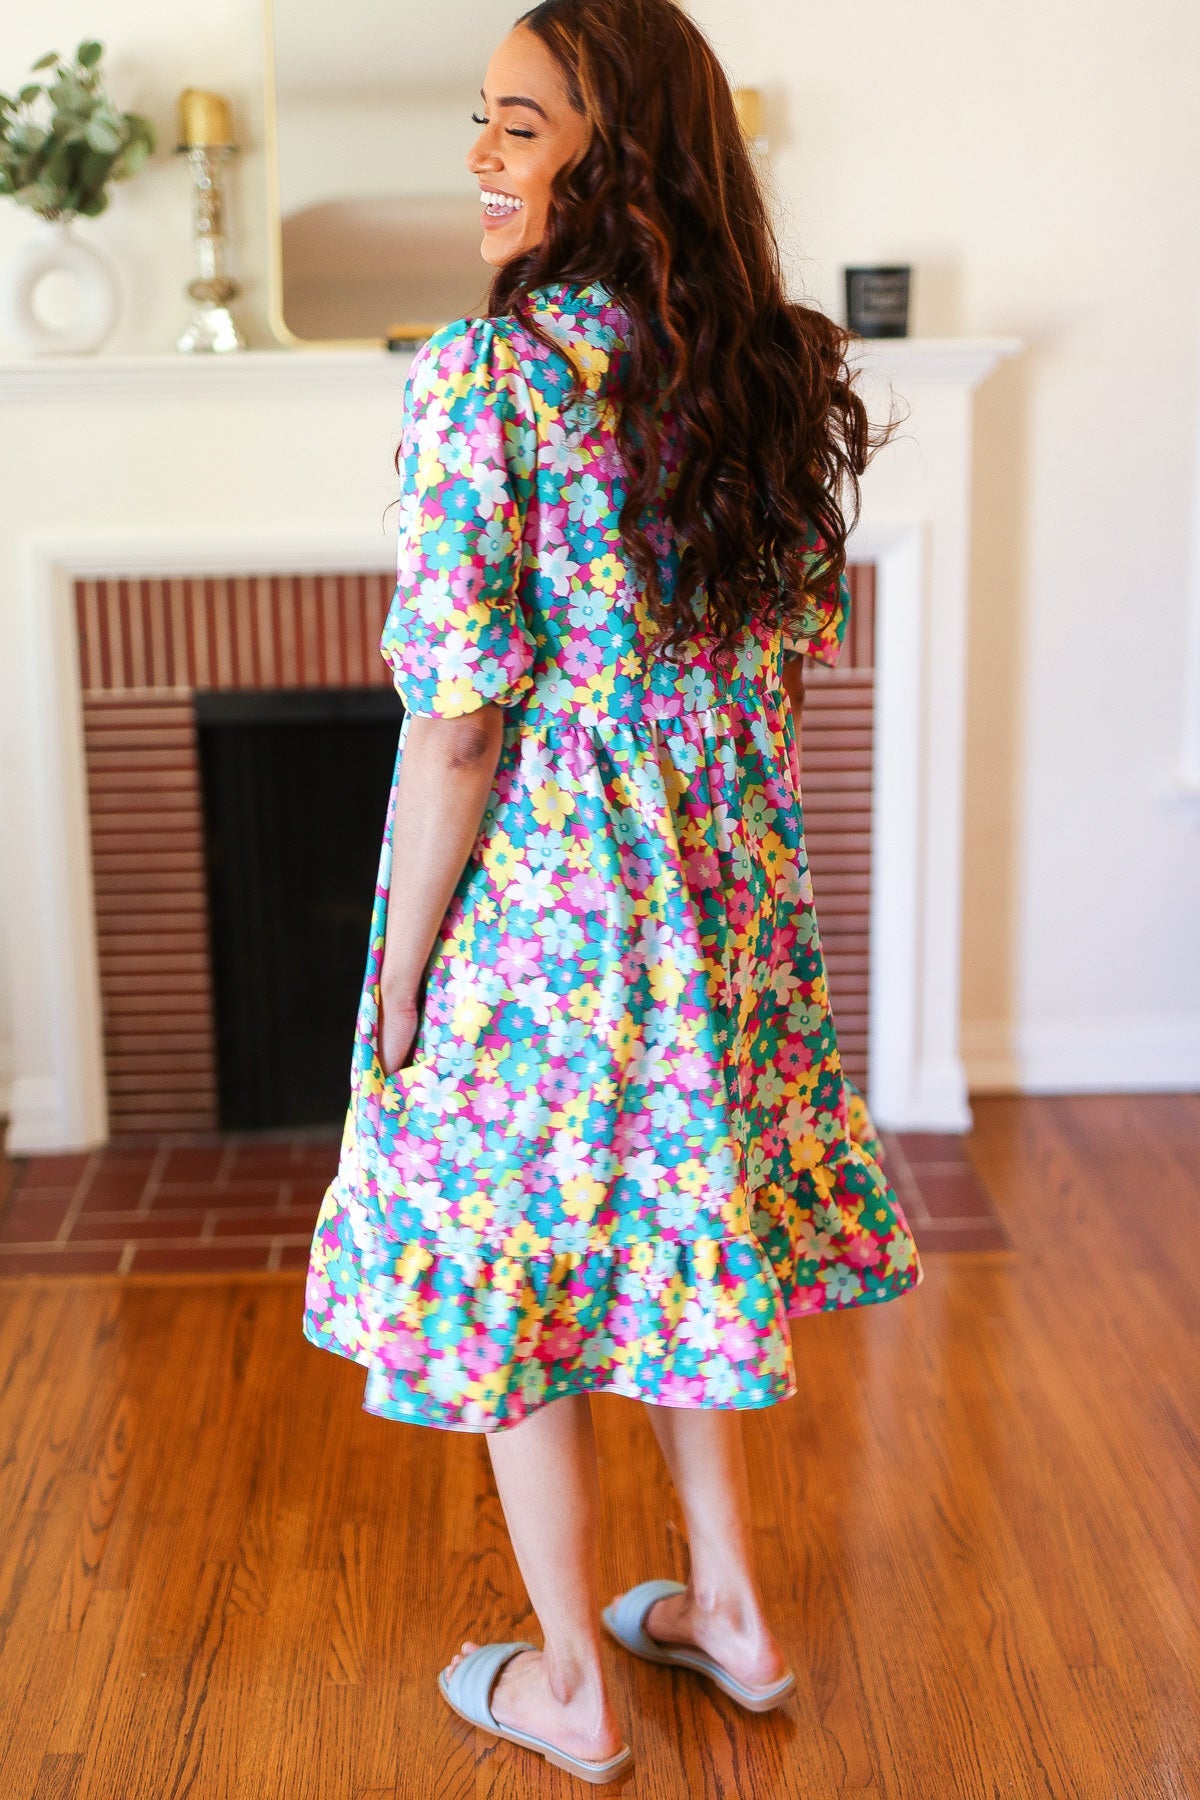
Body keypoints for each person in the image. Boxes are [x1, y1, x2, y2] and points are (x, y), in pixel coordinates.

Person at [303, 0, 922, 1782]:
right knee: (665, 1234)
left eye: (519, 121)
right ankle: (727, 1612)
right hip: (723, 888)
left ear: (617, 148)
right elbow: (779, 658)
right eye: (478, 121)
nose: (480, 156)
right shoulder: (772, 365)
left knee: (516, 1269)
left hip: (550, 899)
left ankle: (571, 1686)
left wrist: (409, 965)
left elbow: (460, 728)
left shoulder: (486, 378)